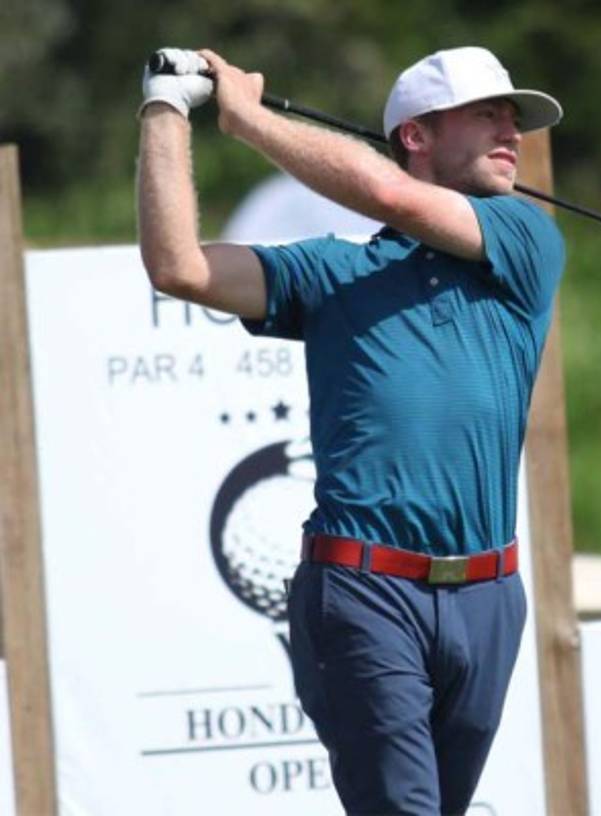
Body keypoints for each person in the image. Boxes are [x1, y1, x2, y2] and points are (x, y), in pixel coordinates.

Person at [136, 45, 565, 814]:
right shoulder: (331, 272)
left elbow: (387, 193)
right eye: (487, 115)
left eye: (514, 118)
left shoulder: (526, 241)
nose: (512, 133)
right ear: (417, 135)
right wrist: (166, 108)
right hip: (364, 593)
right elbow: (179, 268)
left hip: (489, 598)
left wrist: (249, 119)